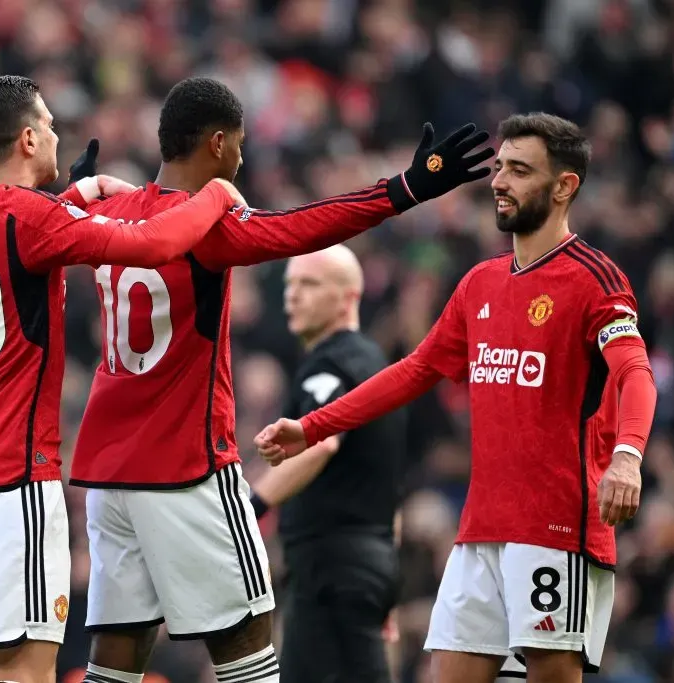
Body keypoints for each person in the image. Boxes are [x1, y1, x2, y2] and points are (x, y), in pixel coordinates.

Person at [66, 76, 494, 683]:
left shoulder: (111, 213)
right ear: (217, 143)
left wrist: (77, 186)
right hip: (185, 466)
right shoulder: (205, 227)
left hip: (107, 475)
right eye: (239, 146)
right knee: (249, 641)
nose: (241, 162)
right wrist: (404, 189)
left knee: (116, 651)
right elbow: (304, 227)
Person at [255, 113, 658, 683]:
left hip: (555, 531)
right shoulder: (480, 283)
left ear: (564, 186)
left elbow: (635, 372)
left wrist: (628, 455)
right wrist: (313, 425)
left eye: (520, 171)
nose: (499, 181)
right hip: (480, 532)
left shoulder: (595, 280)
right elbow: (415, 370)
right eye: (500, 168)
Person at [0, 74, 243, 683]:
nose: (55, 135)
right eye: (48, 125)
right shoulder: (31, 217)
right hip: (10, 483)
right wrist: (217, 194)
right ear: (27, 140)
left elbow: (15, 239)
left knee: (4, 674)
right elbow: (153, 243)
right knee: (28, 675)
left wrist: (81, 193)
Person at [248, 245, 407, 683]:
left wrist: (248, 509)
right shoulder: (375, 367)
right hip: (364, 565)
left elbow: (320, 444)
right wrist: (384, 579)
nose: (292, 296)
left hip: (333, 568)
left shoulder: (335, 363)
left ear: (347, 297)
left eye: (310, 284)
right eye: (290, 285)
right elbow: (391, 490)